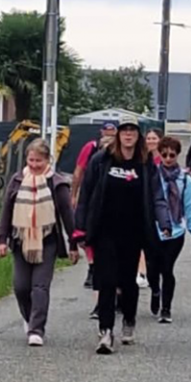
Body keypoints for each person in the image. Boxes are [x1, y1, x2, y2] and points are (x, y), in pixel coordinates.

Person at [75, 115, 171, 355]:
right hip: (105, 229)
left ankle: (129, 318)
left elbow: (157, 195)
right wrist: (80, 227)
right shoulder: (102, 160)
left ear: (138, 136)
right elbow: (87, 193)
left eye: (133, 131)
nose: (128, 134)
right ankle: (106, 331)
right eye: (124, 130)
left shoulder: (145, 164)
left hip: (134, 231)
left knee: (128, 281)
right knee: (106, 280)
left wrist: (164, 222)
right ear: (118, 135)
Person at [0, 140, 80, 347]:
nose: (34, 165)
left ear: (48, 160)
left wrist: (73, 244)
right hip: (20, 240)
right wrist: (2, 240)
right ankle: (29, 317)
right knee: (21, 287)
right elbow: (7, 211)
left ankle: (36, 329)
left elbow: (67, 216)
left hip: (47, 241)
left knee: (40, 286)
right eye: (31, 160)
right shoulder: (17, 180)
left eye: (39, 161)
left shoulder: (57, 183)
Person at [149, 136, 191, 323]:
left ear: (177, 155)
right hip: (153, 229)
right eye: (164, 155)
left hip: (175, 230)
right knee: (152, 269)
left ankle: (166, 308)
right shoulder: (152, 175)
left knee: (167, 268)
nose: (168, 158)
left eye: (172, 155)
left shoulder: (184, 179)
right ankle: (155, 290)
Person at [72, 122, 117, 289]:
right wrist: (74, 194)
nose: (109, 135)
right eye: (107, 131)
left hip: (112, 198)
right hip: (91, 195)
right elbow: (78, 171)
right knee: (85, 233)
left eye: (112, 132)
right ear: (101, 132)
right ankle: (92, 266)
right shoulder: (90, 148)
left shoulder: (122, 152)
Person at [138, 128, 165, 288]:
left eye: (154, 138)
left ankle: (153, 271)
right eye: (148, 138)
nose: (151, 141)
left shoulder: (165, 159)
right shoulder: (141, 159)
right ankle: (143, 271)